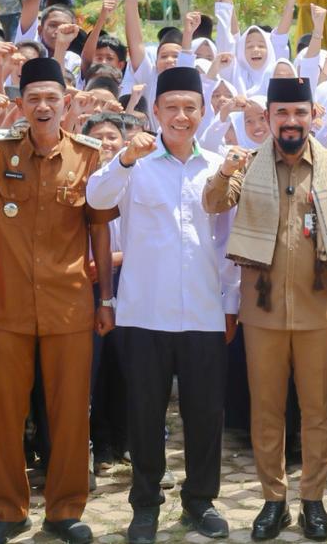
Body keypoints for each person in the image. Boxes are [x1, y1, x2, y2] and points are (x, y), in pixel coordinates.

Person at [0, 57, 118, 544]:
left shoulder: (87, 156)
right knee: (3, 411)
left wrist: (106, 298)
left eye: (52, 98)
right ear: (21, 105)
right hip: (6, 306)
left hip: (69, 304)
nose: (43, 106)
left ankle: (65, 510)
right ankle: (7, 509)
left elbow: (100, 234)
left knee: (68, 412)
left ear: (66, 103)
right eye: (34, 98)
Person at [202, 76, 327, 543]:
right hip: (263, 311)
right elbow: (213, 203)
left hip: (319, 311)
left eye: (300, 113)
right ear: (269, 118)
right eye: (281, 113)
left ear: (312, 115)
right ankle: (274, 501)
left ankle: (313, 500)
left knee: (318, 411)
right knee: (267, 411)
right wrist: (225, 170)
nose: (291, 121)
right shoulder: (247, 166)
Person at [86, 66, 240, 544]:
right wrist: (125, 160)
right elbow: (96, 198)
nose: (180, 115)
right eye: (170, 106)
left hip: (203, 313)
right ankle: (145, 506)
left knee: (204, 415)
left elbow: (228, 242)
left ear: (202, 112)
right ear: (154, 111)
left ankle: (200, 502)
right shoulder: (137, 164)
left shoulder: (218, 166)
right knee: (145, 415)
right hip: (143, 312)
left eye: (189, 107)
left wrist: (230, 304)